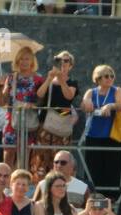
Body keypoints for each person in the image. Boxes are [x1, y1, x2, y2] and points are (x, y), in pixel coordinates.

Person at [31, 50, 79, 181]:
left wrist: (62, 81)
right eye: (59, 60)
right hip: (45, 125)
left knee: (61, 159)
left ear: (71, 65)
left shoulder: (72, 82)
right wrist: (49, 79)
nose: (62, 63)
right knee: (41, 159)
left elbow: (69, 96)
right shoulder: (49, 79)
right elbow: (40, 95)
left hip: (62, 125)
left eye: (66, 61)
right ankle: (40, 187)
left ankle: (61, 185)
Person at [81, 64, 121, 203]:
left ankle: (111, 196)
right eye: (106, 76)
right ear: (98, 78)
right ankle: (93, 194)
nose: (110, 78)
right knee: (93, 165)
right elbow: (84, 104)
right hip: (93, 134)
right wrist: (87, 103)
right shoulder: (91, 92)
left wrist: (110, 105)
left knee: (112, 166)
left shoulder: (116, 90)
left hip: (112, 135)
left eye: (112, 76)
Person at [0, 46, 43, 170]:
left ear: (32, 61)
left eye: (27, 59)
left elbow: (42, 101)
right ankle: (6, 186)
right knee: (8, 154)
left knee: (26, 155)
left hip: (29, 120)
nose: (24, 62)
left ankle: (22, 184)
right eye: (21, 59)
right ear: (17, 61)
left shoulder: (39, 79)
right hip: (11, 120)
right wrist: (0, 86)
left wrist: (33, 105)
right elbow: (2, 102)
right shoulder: (11, 78)